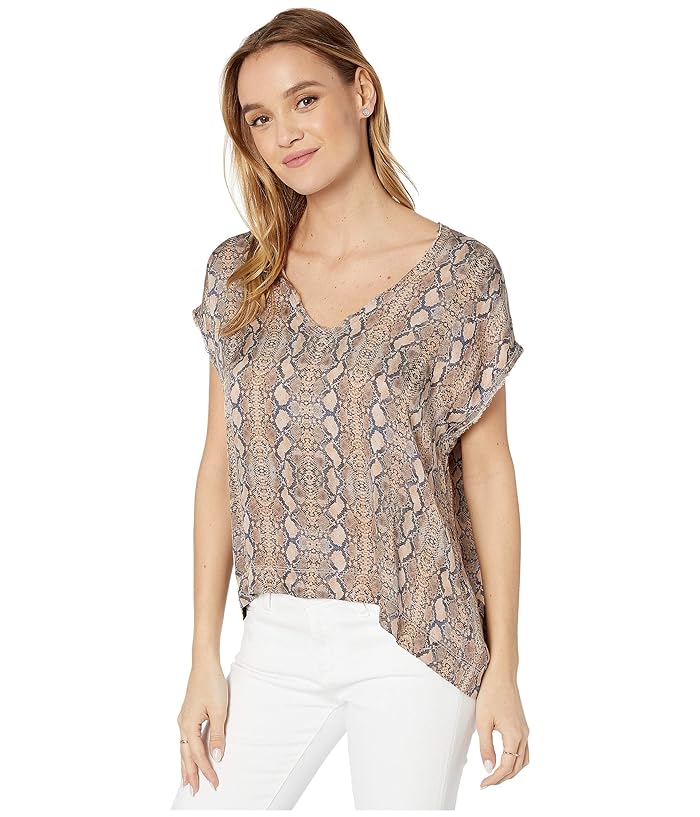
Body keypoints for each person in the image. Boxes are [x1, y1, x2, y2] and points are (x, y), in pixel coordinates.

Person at [171, 7, 529, 811]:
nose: (285, 134)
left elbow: (489, 475)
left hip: (413, 626)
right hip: (274, 634)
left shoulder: (461, 276)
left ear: (361, 91)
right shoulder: (239, 275)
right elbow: (218, 466)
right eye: (260, 118)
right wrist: (202, 656)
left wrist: (504, 664)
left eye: (304, 100)